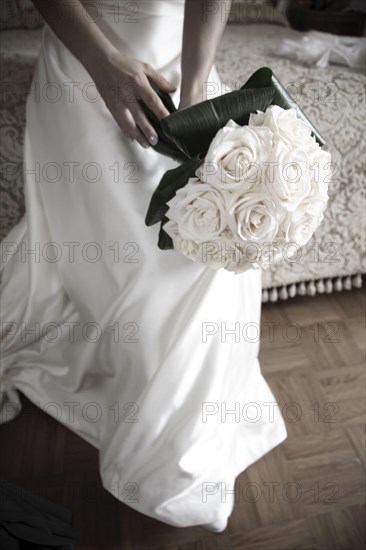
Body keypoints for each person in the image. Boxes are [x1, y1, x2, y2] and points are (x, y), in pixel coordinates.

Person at [0, 0, 287, 532]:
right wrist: (104, 63)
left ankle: (183, 436)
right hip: (85, 56)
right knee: (133, 248)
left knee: (205, 239)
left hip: (183, 54)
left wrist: (199, 89)